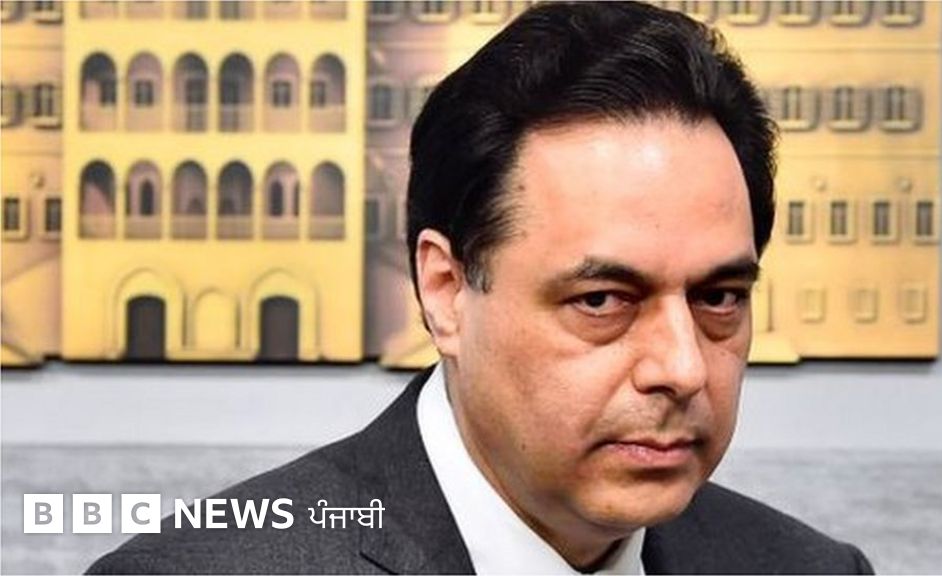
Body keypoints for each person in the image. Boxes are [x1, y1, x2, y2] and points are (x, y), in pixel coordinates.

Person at [89, 2, 873, 574]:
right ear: (445, 292)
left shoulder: (809, 569)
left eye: (719, 298)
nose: (683, 367)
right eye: (602, 301)